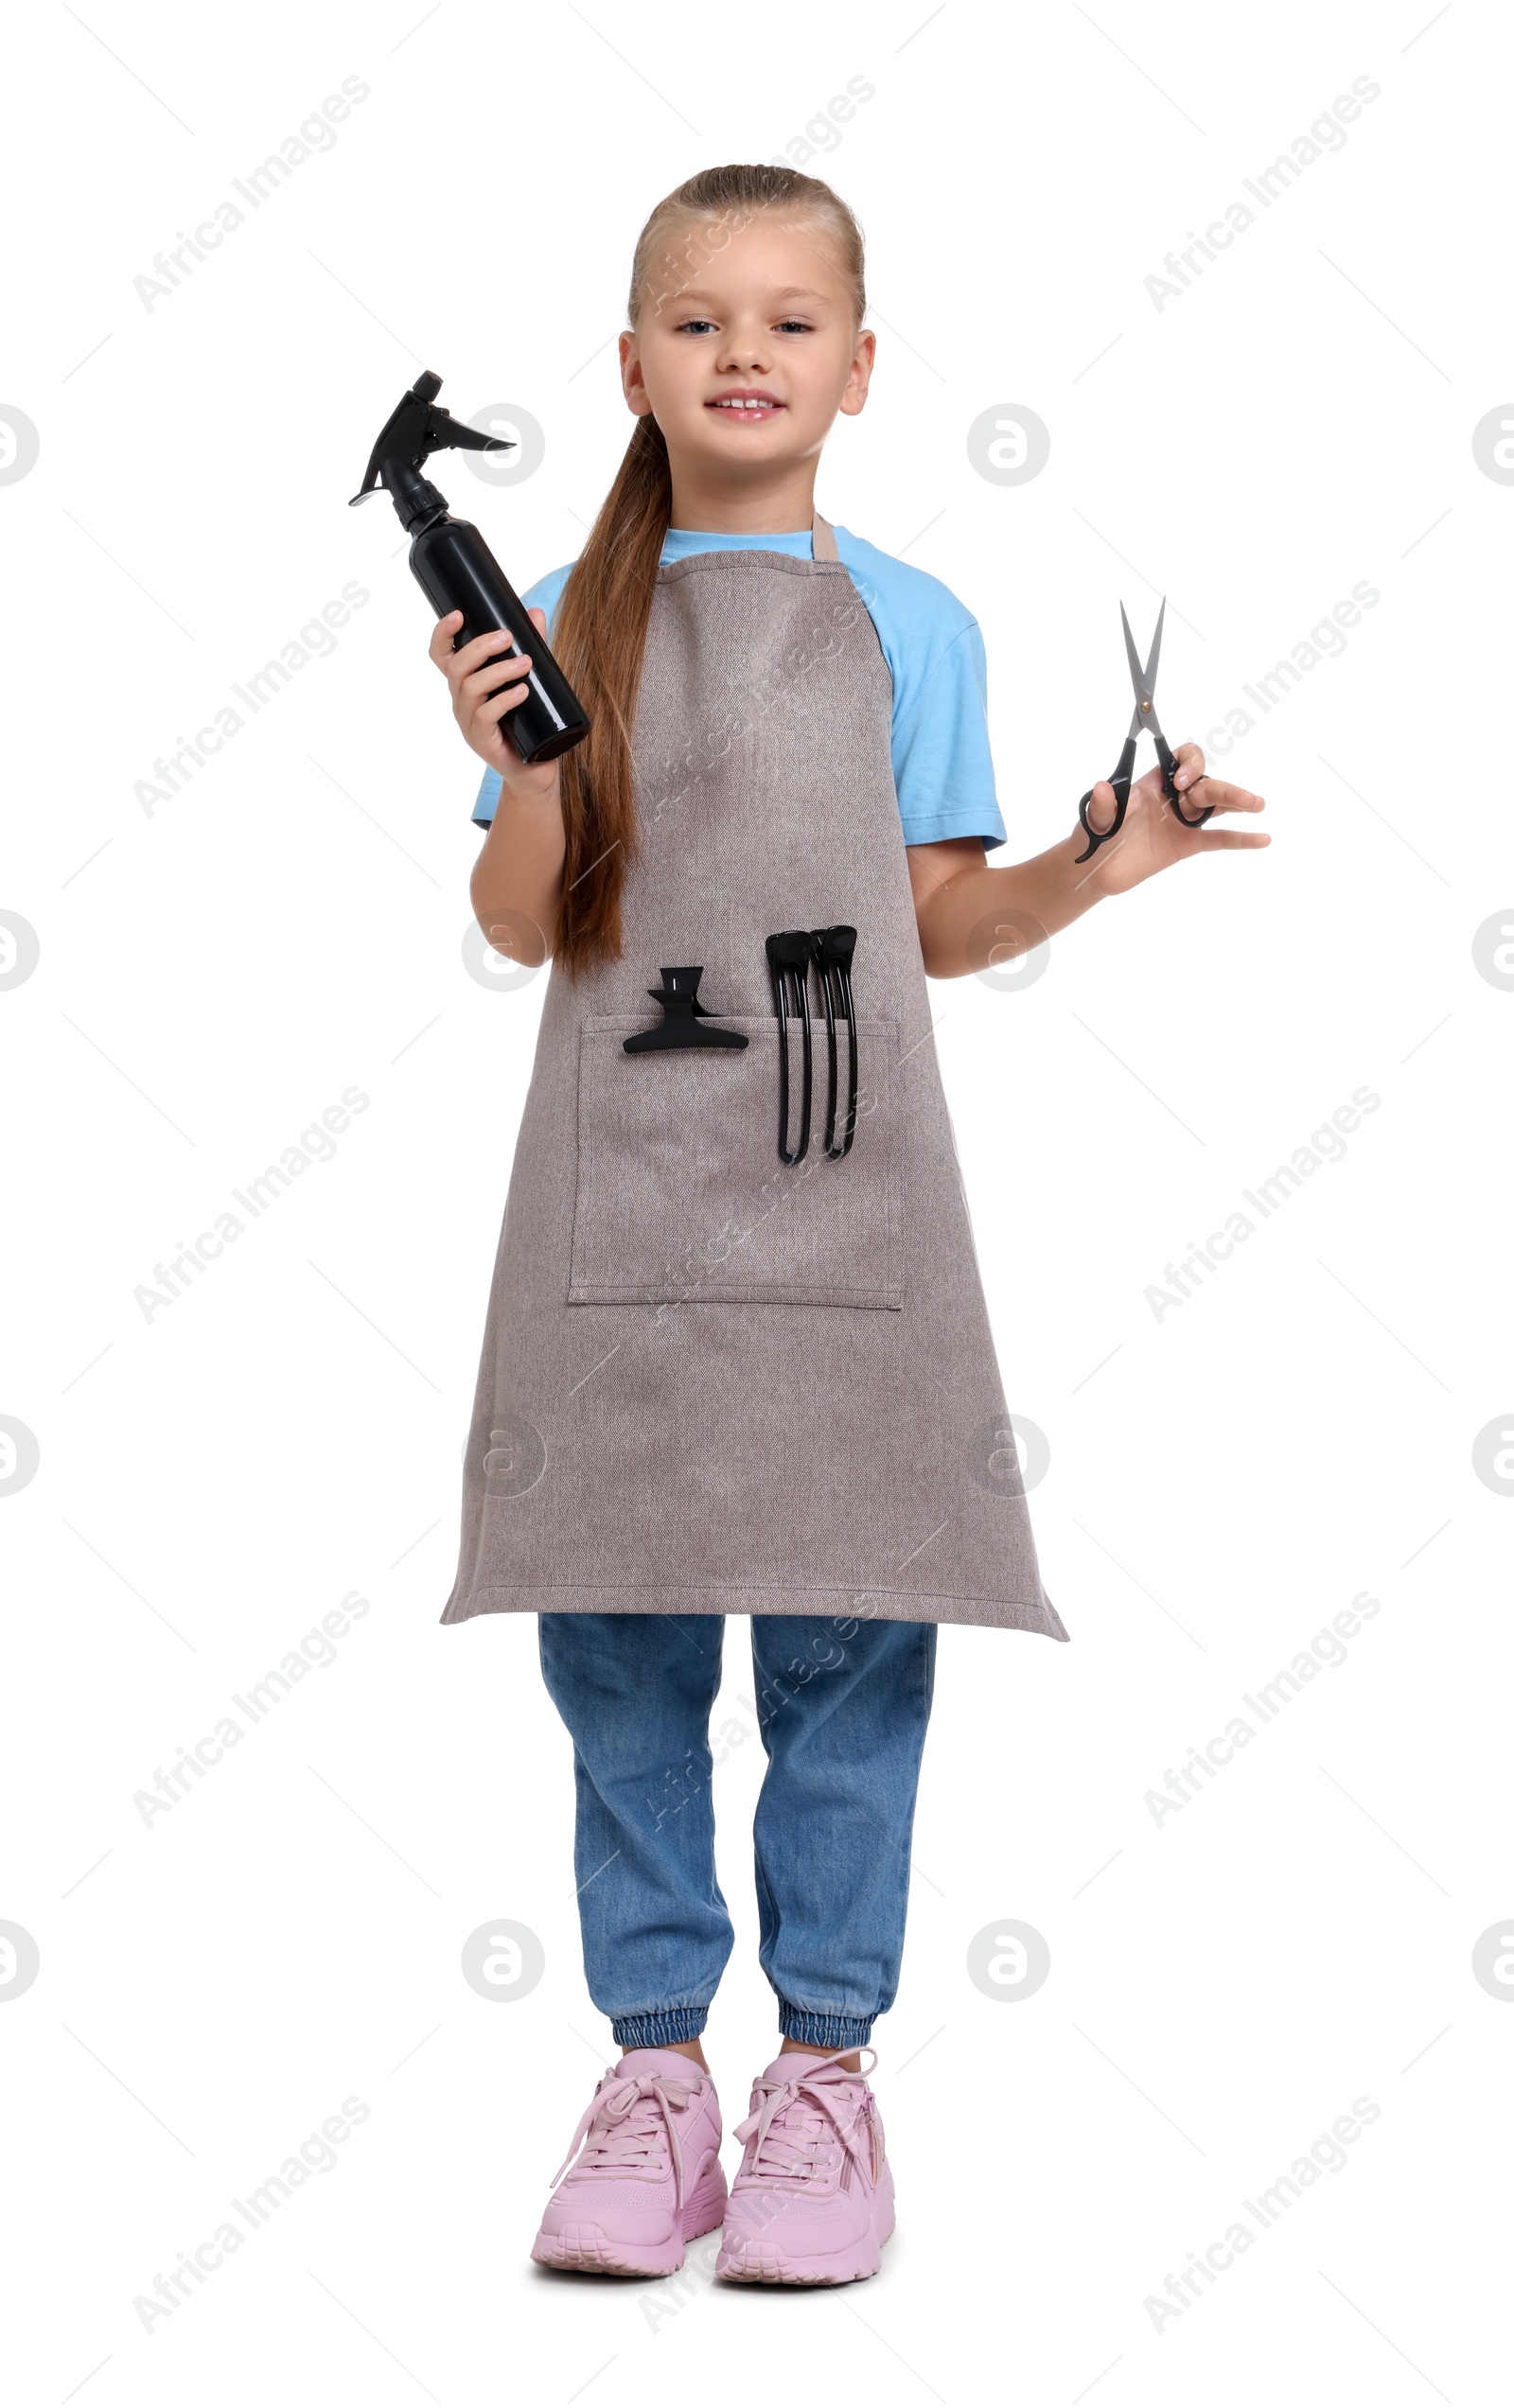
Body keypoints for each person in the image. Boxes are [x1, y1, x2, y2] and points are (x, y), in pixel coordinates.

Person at [429, 163, 1267, 2288]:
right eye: (698, 321)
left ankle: (819, 2079)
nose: (742, 353)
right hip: (615, 1204)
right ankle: (648, 2082)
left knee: (842, 1643)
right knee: (616, 1640)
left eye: (789, 321)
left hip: (838, 1203)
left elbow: (926, 924)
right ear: (629, 368)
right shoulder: (555, 608)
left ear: (859, 369)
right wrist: (513, 753)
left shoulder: (912, 620)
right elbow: (524, 921)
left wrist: (1100, 864)